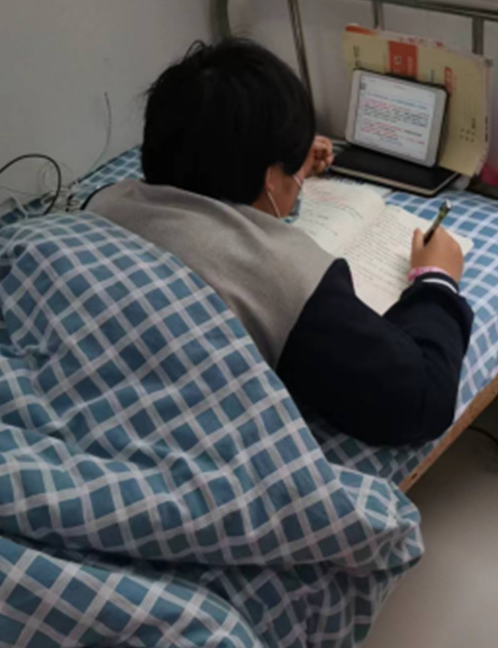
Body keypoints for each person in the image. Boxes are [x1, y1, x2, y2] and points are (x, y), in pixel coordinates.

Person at [85, 39, 473, 446]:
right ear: (270, 177)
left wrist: (285, 164)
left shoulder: (105, 203)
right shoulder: (283, 280)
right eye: (294, 173)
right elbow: (419, 402)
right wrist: (436, 278)